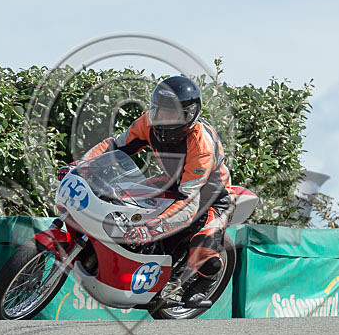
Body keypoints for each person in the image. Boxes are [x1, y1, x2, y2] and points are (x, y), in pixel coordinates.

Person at [58, 76, 235, 304]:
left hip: (209, 197)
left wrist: (152, 228)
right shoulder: (148, 123)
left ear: (190, 115)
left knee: (203, 251)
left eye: (173, 114)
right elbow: (115, 145)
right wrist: (79, 166)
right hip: (170, 181)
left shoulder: (202, 145)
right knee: (120, 197)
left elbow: (189, 199)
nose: (164, 119)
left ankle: (207, 279)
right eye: (161, 111)